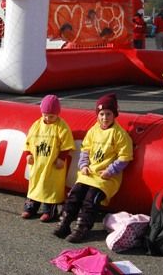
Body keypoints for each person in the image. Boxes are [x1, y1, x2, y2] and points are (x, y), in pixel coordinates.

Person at [53, 93, 133, 243]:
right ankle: (64, 222)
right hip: (89, 174)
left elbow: (125, 157)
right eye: (101, 114)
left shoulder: (119, 134)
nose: (104, 118)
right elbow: (85, 150)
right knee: (74, 195)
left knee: (91, 199)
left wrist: (110, 171)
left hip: (105, 178)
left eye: (108, 114)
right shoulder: (93, 130)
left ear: (114, 114)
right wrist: (83, 165)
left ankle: (81, 228)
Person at [22, 95, 75, 222]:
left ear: (57, 113)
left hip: (52, 164)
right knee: (35, 185)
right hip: (38, 163)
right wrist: (28, 154)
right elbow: (28, 141)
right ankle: (31, 207)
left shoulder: (61, 127)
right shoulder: (36, 125)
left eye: (51, 116)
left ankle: (49, 210)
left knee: (50, 187)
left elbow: (66, 144)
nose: (48, 118)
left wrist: (61, 158)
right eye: (45, 115)